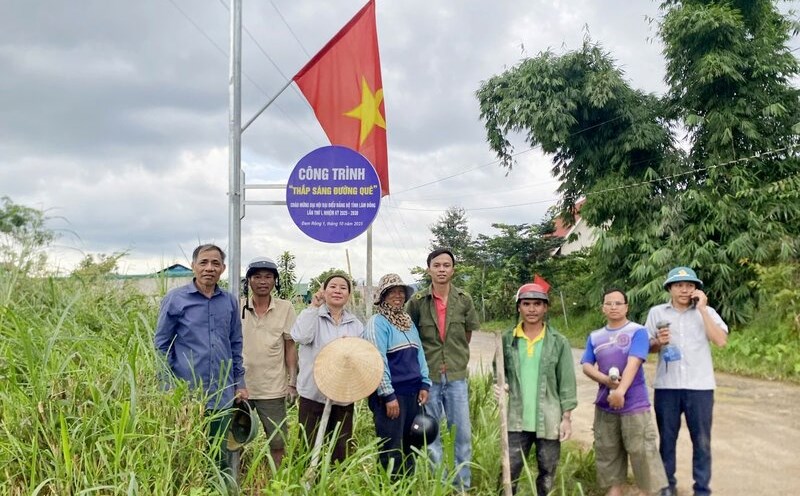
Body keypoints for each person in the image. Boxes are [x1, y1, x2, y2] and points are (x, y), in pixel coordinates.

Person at [154, 244, 248, 475]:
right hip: (186, 393)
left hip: (222, 393)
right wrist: (167, 385)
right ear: (193, 266)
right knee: (187, 453)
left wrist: (239, 382)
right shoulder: (176, 299)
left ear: (223, 268)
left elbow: (235, 343)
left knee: (218, 453)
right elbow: (161, 345)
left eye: (215, 263)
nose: (209, 268)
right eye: (203, 262)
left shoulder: (229, 302)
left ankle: (217, 487)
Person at [646, 267, 728, 496]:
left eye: (689, 285)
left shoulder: (707, 312)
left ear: (696, 289)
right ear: (670, 289)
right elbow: (646, 347)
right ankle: (667, 486)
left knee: (702, 441)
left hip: (700, 387)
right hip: (667, 387)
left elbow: (721, 340)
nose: (684, 290)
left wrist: (702, 309)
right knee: (667, 439)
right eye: (679, 285)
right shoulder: (656, 313)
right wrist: (658, 342)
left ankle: (701, 489)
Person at [406, 248, 480, 491]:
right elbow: (409, 336)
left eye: (446, 265)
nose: (441, 269)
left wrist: (453, 357)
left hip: (456, 376)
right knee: (431, 433)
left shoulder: (464, 300)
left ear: (453, 270)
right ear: (429, 270)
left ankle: (462, 486)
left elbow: (466, 335)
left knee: (462, 435)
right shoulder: (417, 302)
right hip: (429, 379)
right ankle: (440, 485)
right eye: (436, 265)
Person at [581, 289, 668, 496]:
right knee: (607, 453)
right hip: (605, 406)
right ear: (603, 308)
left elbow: (634, 362)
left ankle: (649, 492)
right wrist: (605, 381)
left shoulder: (637, 331)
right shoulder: (595, 336)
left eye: (618, 303)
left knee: (643, 453)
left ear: (626, 307)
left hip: (635, 406)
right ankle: (614, 491)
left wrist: (620, 391)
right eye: (609, 303)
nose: (613, 307)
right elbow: (586, 365)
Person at [496, 282, 577, 495]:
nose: (532, 309)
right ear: (519, 307)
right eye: (526, 304)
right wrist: (502, 385)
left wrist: (566, 418)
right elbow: (498, 371)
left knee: (547, 474)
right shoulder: (507, 339)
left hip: (549, 419)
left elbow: (567, 382)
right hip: (516, 419)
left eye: (537, 304)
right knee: (508, 473)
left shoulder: (558, 342)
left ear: (545, 308)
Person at [290, 272, 364, 463]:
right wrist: (314, 306)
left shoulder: (355, 325)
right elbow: (301, 336)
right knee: (308, 449)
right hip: (313, 393)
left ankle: (336, 480)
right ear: (323, 290)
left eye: (343, 288)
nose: (338, 291)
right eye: (333, 286)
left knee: (340, 451)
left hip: (343, 396)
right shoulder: (313, 315)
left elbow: (361, 358)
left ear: (349, 294)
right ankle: (307, 480)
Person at [364, 273, 432, 477]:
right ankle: (389, 487)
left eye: (401, 292)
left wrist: (424, 383)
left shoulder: (407, 321)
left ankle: (407, 486)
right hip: (392, 396)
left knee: (412, 444)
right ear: (383, 296)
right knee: (391, 448)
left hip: (413, 394)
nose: (398, 295)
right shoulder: (377, 322)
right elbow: (377, 361)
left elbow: (419, 353)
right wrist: (388, 395)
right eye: (392, 292)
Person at [240, 256, 297, 469]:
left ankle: (277, 479)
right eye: (257, 277)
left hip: (272, 387)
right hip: (240, 387)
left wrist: (292, 382)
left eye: (268, 277)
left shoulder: (285, 308)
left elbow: (290, 347)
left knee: (277, 440)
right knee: (235, 438)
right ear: (248, 281)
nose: (262, 281)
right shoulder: (237, 306)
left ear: (275, 281)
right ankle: (237, 478)